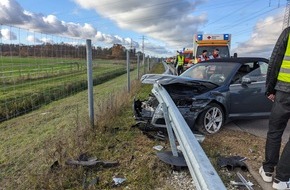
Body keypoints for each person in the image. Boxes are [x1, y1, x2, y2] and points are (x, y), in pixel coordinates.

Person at [259, 26, 290, 190]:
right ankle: (282, 180)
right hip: (284, 91)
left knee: (275, 131)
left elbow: (275, 59)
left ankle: (268, 170)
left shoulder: (289, 32)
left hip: (284, 91)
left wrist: (270, 88)